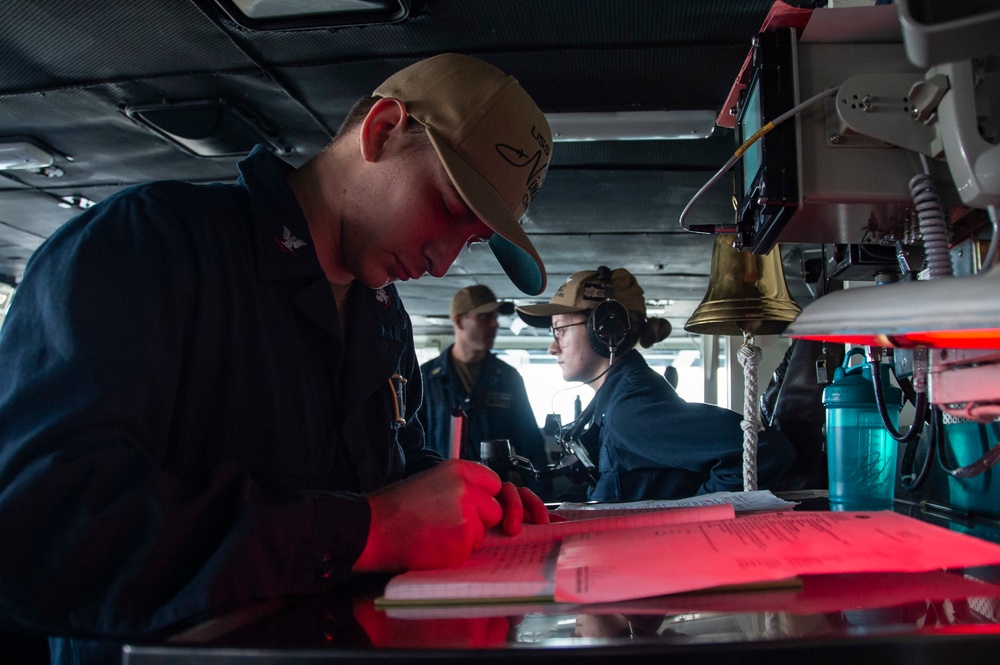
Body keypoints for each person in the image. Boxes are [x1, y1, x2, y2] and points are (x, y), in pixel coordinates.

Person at [0, 53, 552, 663]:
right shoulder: (148, 247)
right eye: (448, 208)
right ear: (383, 131)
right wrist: (368, 530)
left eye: (470, 240)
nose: (444, 262)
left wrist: (461, 496)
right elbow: (37, 527)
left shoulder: (383, 316)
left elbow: (370, 472)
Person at [516, 266, 795, 502]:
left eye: (560, 329)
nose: (553, 347)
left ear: (605, 330)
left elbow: (765, 450)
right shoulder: (615, 403)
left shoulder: (631, 410)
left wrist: (693, 522)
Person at [418, 285, 549, 495]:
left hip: (494, 496)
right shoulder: (426, 378)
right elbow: (412, 445)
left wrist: (541, 502)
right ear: (459, 321)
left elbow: (531, 445)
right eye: (485, 317)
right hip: (440, 497)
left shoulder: (508, 378)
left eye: (495, 317)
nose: (495, 324)